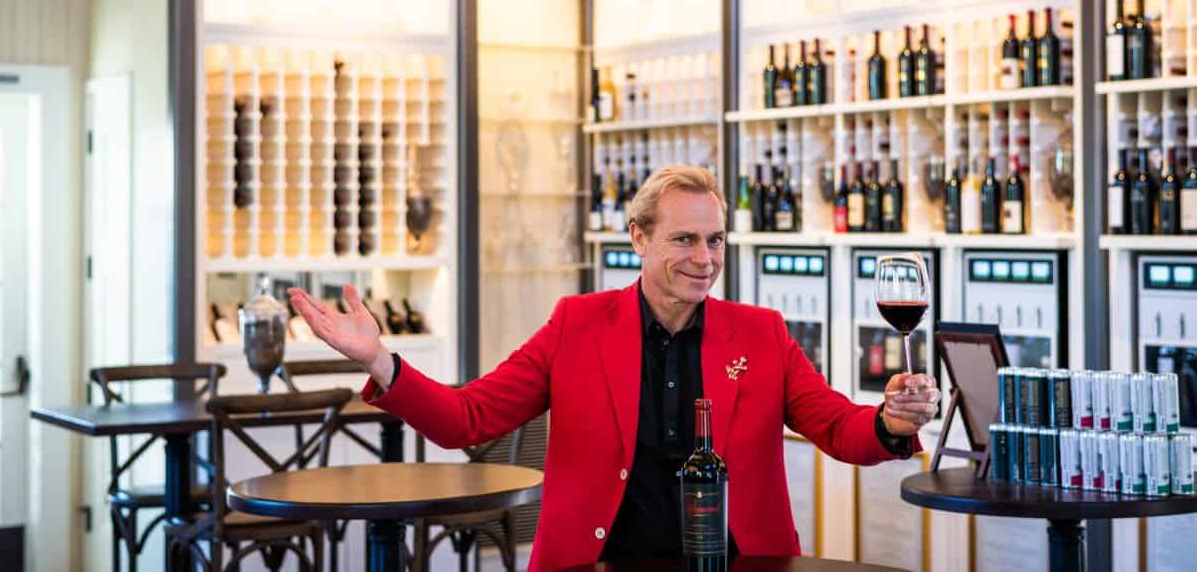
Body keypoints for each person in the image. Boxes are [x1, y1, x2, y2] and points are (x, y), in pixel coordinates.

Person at [289, 164, 941, 570]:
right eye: (683, 239)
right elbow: (468, 419)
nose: (705, 258)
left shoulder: (762, 333)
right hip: (600, 561)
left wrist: (888, 420)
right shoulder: (576, 324)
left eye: (714, 240)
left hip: (739, 562)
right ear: (639, 238)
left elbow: (838, 428)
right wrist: (378, 356)